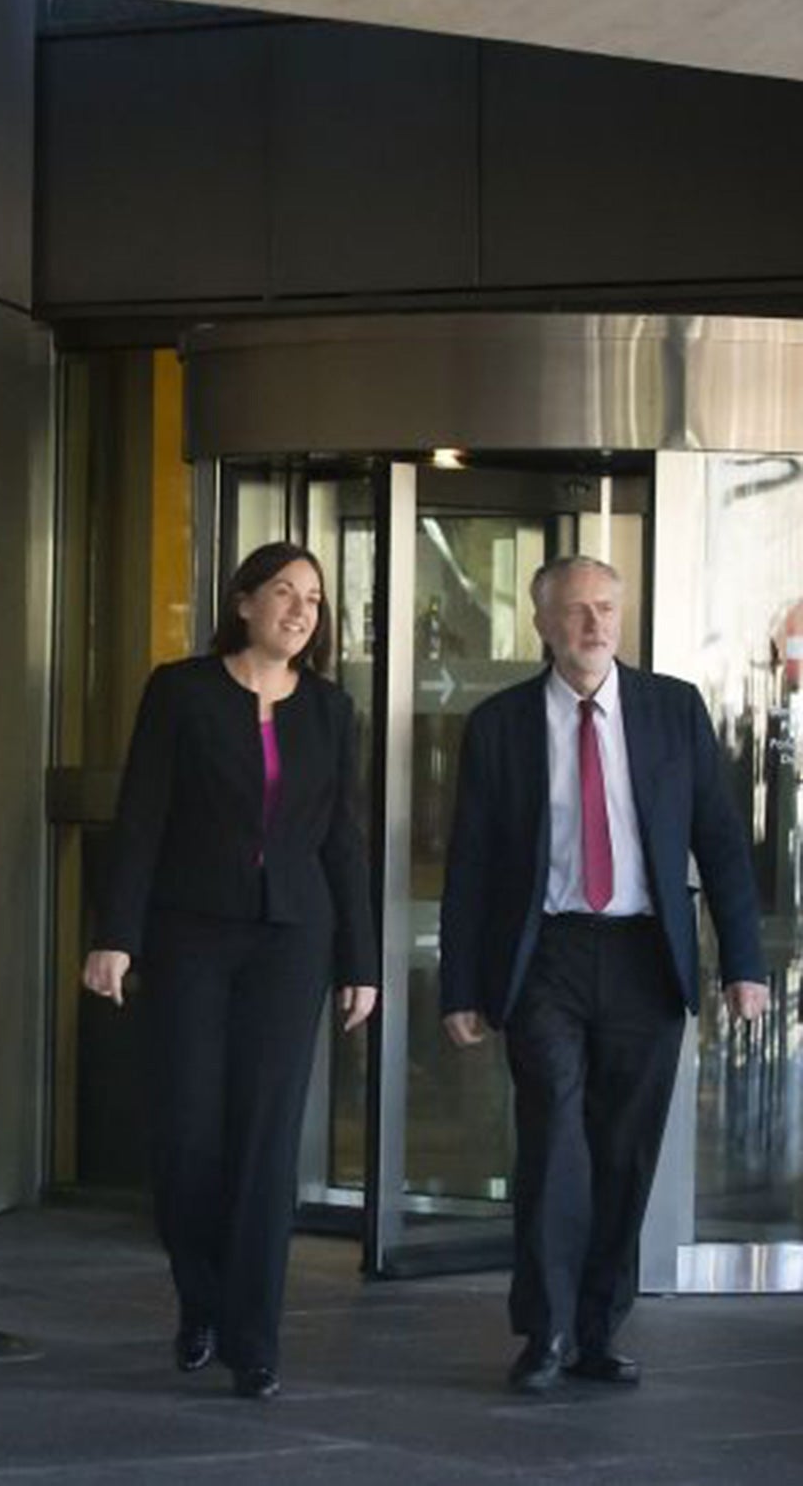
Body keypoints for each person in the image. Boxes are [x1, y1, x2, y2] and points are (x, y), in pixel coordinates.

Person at [440, 554, 770, 1395]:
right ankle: (544, 1329)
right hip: (545, 954)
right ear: (543, 622)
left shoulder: (673, 711)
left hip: (644, 957)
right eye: (577, 611)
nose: (595, 625)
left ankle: (598, 1328)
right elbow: (470, 865)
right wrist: (462, 987)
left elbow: (722, 842)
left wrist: (744, 965)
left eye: (607, 609)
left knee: (624, 1153)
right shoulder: (503, 724)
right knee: (554, 1138)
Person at [82, 540, 379, 1400]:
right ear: (244, 601)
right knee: (187, 1134)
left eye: (315, 601)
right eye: (284, 592)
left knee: (265, 1140)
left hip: (293, 944)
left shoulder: (329, 709)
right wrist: (116, 935)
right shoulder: (180, 692)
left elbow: (342, 841)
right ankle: (200, 1297)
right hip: (192, 938)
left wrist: (360, 961)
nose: (300, 610)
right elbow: (141, 817)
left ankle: (254, 1340)